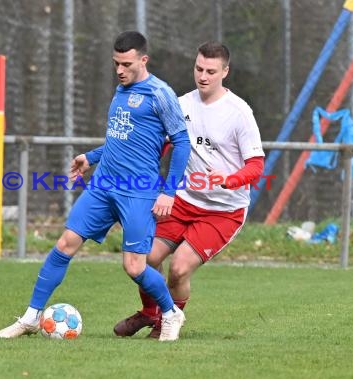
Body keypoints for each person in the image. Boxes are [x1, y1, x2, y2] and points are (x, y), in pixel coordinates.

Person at [0, 31, 191, 341]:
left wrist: (169, 191)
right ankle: (32, 317)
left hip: (138, 191)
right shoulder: (120, 90)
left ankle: (170, 313)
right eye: (116, 63)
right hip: (103, 186)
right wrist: (92, 157)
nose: (119, 70)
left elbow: (181, 142)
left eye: (126, 64)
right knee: (64, 244)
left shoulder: (161, 94)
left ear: (144, 60)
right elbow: (122, 140)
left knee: (134, 267)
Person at [113, 41, 265, 338]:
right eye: (198, 69)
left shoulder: (239, 112)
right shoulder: (180, 104)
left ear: (225, 72)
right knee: (145, 258)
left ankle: (165, 322)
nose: (203, 76)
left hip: (223, 211)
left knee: (179, 269)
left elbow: (256, 166)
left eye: (211, 71)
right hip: (182, 201)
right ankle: (149, 312)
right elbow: (161, 144)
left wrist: (229, 179)